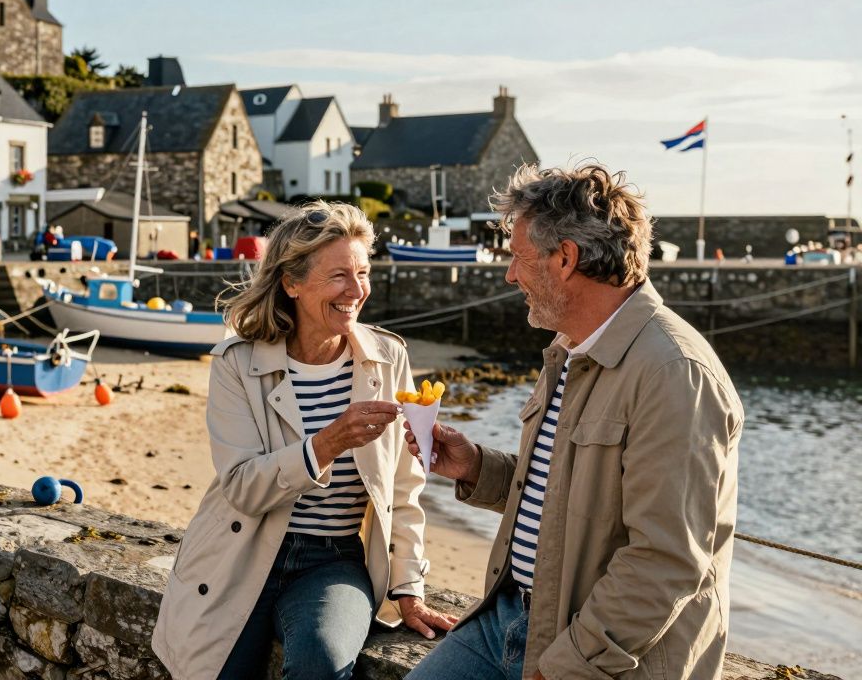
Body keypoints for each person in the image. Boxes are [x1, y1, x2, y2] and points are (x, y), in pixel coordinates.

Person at [404, 164, 743, 680]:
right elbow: (571, 493)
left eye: (518, 259)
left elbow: (665, 562)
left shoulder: (674, 375)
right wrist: (477, 468)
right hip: (510, 620)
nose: (509, 276)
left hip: (600, 657)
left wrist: (565, 666)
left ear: (565, 258)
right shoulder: (570, 347)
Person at [152, 202, 456, 679]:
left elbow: (403, 486)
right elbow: (241, 487)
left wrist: (408, 586)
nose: (357, 291)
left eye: (363, 272)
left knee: (323, 662)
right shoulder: (237, 364)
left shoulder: (387, 357)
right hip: (240, 550)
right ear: (292, 283)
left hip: (331, 558)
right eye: (339, 276)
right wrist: (328, 442)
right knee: (214, 669)